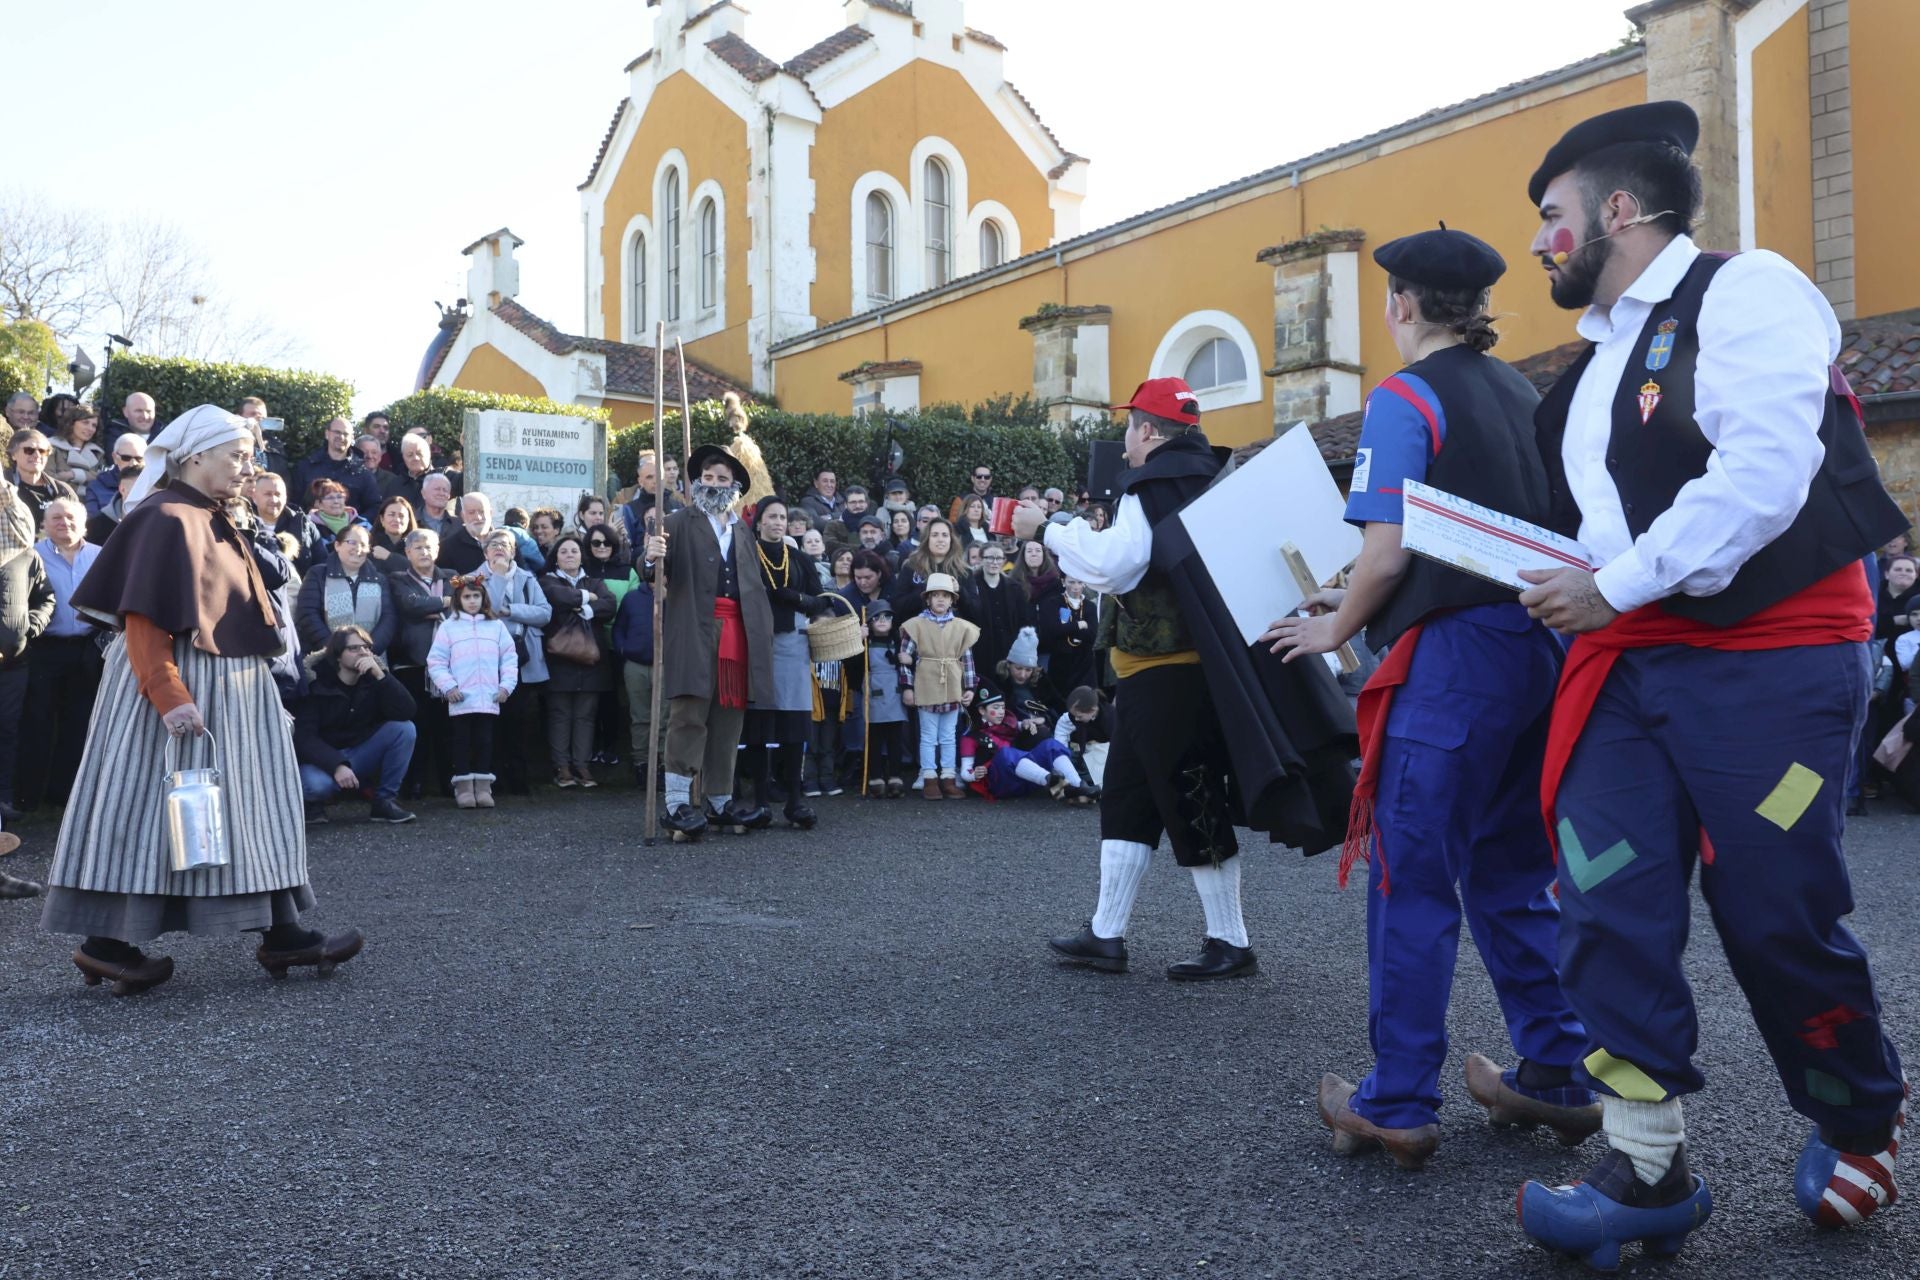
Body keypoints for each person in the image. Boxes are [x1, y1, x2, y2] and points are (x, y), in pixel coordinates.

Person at [1509, 101, 1910, 1261]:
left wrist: (1614, 582)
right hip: (1628, 658)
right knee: (1604, 894)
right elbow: (1605, 526)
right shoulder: (1590, 367)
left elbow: (1767, 469)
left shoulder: (1748, 290)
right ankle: (1644, 1164)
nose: (1541, 243)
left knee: (1776, 902)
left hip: (1771, 658)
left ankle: (1857, 1118)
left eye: (1552, 218)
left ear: (1617, 212)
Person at [1261, 226, 1594, 1172]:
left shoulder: (1402, 397)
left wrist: (1334, 625)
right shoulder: (1520, 391)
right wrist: (1363, 595)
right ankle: (1558, 1070)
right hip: (1537, 651)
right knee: (1509, 873)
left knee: (1413, 873)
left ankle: (1399, 1099)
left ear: (1400, 305)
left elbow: (1391, 547)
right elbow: (1474, 543)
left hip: (1454, 665)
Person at [1025, 377, 1356, 982]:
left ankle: (1230, 940)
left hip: (1168, 674)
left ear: (1149, 432)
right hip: (1175, 671)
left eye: (1130, 428)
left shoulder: (1149, 486)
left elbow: (1114, 564)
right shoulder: (1215, 478)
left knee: (1192, 795)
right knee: (1127, 796)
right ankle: (1106, 933)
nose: (1125, 441)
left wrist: (1049, 529)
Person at [40, 404, 362, 994]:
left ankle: (281, 934)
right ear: (194, 456)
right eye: (236, 456)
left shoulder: (212, 516)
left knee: (249, 810)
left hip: (232, 695)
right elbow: (140, 619)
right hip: (180, 692)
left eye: (249, 456)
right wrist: (169, 695)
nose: (247, 467)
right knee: (145, 813)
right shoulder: (164, 517)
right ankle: (106, 944)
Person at [640, 441, 775, 839]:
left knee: (729, 717)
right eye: (709, 477)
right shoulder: (678, 521)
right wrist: (651, 555)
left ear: (735, 487)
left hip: (739, 630)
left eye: (723, 479)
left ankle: (719, 800)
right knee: (688, 714)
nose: (715, 484)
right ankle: (678, 803)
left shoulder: (742, 529)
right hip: (693, 629)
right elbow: (650, 571)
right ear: (697, 482)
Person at [739, 497, 834, 829]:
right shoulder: (745, 555)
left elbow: (822, 602)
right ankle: (761, 802)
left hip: (793, 646)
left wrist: (793, 597)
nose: (778, 522)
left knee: (795, 728)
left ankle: (795, 800)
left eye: (782, 517)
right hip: (757, 645)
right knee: (759, 728)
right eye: (771, 516)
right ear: (759, 521)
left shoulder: (800, 559)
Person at [21, 497, 103, 810]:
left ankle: (67, 795)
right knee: (39, 720)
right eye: (56, 517)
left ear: (83, 523)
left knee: (79, 721)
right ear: (44, 524)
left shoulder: (100, 556)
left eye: (70, 517)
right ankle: (32, 797)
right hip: (45, 649)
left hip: (88, 649)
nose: (63, 523)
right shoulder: (32, 556)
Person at [293, 625, 419, 825]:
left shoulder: (374, 678)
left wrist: (381, 677)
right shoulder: (315, 682)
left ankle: (384, 802)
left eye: (366, 647)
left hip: (360, 753)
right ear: (337, 656)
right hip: (323, 762)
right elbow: (304, 738)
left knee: (404, 729)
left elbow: (407, 711)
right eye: (353, 648)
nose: (362, 652)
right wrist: (337, 765)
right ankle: (313, 806)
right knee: (314, 785)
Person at [428, 575, 517, 808]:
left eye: (476, 596)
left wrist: (506, 686)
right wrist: (449, 687)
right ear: (458, 599)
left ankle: (483, 786)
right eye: (467, 597)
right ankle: (464, 788)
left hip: (489, 697)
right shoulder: (449, 627)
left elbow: (509, 658)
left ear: (483, 598)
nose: (472, 601)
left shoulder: (496, 627)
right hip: (461, 698)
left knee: (485, 741)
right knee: (461, 741)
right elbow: (436, 660)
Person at [539, 532, 615, 788]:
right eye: (564, 551)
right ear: (556, 558)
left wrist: (584, 607)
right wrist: (588, 599)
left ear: (582, 555)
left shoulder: (595, 582)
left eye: (574, 550)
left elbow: (610, 605)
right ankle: (562, 766)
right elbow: (559, 598)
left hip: (592, 660)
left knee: (586, 715)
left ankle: (582, 765)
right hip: (559, 659)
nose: (569, 555)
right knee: (560, 714)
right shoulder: (547, 582)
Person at [479, 527, 551, 795]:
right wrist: (496, 578)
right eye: (493, 544)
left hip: (521, 654)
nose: (499, 548)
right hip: (488, 658)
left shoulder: (527, 578)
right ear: (485, 551)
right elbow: (489, 609)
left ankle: (519, 779)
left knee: (519, 719)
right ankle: (493, 779)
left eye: (505, 544)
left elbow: (544, 613)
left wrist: (511, 611)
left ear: (513, 551)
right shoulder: (475, 578)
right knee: (492, 718)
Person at [0, 479, 54, 824]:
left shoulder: (25, 554)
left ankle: (4, 801)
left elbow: (46, 599)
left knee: (7, 731)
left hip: (13, 665)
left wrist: (27, 629)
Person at [898, 572, 979, 799]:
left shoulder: (962, 627)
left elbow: (968, 658)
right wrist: (907, 687)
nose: (941, 600)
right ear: (928, 599)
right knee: (928, 735)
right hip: (926, 682)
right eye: (936, 596)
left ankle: (948, 777)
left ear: (953, 600)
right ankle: (929, 777)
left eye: (946, 596)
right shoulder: (915, 626)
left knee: (948, 735)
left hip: (952, 683)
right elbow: (905, 658)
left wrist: (970, 688)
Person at [388, 528, 455, 800]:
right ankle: (414, 783)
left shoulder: (451, 577)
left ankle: (448, 784)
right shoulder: (397, 578)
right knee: (418, 725)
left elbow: (461, 608)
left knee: (446, 728)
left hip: (448, 666)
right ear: (408, 553)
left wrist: (433, 606)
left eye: (429, 547)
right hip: (412, 663)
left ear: (437, 550)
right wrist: (443, 603)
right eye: (418, 548)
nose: (425, 552)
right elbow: (409, 605)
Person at [962, 689, 1094, 803]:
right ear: (981, 710)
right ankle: (1052, 782)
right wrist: (974, 774)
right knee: (1005, 753)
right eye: (996, 708)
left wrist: (1029, 722)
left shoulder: (1008, 724)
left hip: (1025, 778)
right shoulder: (970, 738)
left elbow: (1020, 724)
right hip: (999, 784)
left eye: (1002, 707)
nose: (1001, 712)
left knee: (1050, 745)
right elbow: (964, 773)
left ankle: (1077, 785)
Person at [295, 522, 395, 659]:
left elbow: (388, 618)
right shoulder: (318, 574)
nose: (358, 549)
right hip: (327, 656)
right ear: (337, 545)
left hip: (371, 658)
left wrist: (368, 651)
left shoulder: (379, 579)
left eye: (363, 545)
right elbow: (307, 614)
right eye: (352, 542)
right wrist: (336, 650)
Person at [609, 517, 659, 789]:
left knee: (664, 717)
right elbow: (619, 628)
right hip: (636, 665)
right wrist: (623, 649)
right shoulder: (633, 598)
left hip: (666, 664)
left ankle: (662, 763)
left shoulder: (676, 597)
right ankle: (641, 763)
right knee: (640, 718)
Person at [853, 602, 910, 796]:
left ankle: (895, 776)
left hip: (895, 693)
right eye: (878, 617)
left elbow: (912, 664)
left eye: (887, 617)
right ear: (869, 621)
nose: (883, 621)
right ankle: (875, 776)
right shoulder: (865, 643)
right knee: (874, 739)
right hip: (873, 693)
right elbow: (853, 666)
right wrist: (858, 641)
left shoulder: (899, 641)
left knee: (895, 738)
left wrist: (909, 660)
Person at [959, 542, 1032, 689]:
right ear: (981, 559)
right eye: (990, 557)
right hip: (980, 650)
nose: (994, 562)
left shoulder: (1014, 587)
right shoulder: (972, 586)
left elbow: (1023, 620)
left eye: (999, 558)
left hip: (1008, 651)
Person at [293, 416, 381, 514]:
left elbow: (374, 506)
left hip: (349, 527)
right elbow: (294, 503)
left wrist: (357, 525)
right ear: (327, 434)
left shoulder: (363, 473)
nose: (341, 437)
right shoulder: (306, 467)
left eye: (346, 434)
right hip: (311, 527)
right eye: (337, 432)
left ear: (352, 438)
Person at [893, 518, 968, 620]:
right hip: (919, 631)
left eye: (945, 535)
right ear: (926, 539)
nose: (940, 539)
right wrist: (925, 590)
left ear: (951, 539)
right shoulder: (911, 566)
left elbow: (975, 611)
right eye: (935, 535)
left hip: (953, 633)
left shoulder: (963, 570)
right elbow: (897, 606)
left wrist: (960, 591)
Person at [5, 430, 79, 531]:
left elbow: (77, 527)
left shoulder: (63, 491)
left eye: (42, 451)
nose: (37, 455)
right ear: (13, 454)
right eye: (29, 450)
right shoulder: (4, 488)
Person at [250, 471, 322, 572]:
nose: (274, 499)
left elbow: (321, 563)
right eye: (268, 494)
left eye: (278, 494)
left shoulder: (303, 524)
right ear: (254, 496)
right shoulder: (244, 524)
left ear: (285, 497)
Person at [1042, 576, 1098, 694]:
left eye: (1079, 582)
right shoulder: (1053, 603)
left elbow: (1093, 635)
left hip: (1085, 664)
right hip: (1061, 663)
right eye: (1071, 582)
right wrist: (1079, 624)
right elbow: (1053, 630)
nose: (1076, 587)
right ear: (1063, 582)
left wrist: (1067, 628)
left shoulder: (1090, 606)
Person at [86, 440, 147, 545]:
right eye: (126, 458)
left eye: (139, 458)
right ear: (114, 457)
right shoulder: (96, 487)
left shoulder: (161, 515)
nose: (133, 463)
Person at [619, 452, 682, 550]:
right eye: (649, 477)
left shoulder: (679, 506)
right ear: (640, 481)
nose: (655, 481)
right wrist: (646, 550)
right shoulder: (629, 510)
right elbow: (626, 550)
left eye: (658, 475)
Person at [1054, 685, 1112, 788]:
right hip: (1079, 749)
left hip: (1102, 753)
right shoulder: (1074, 714)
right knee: (1059, 763)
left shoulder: (1109, 719)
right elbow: (1062, 728)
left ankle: (1095, 788)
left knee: (1100, 776)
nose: (1076, 719)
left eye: (1079, 717)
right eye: (1074, 715)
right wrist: (1062, 752)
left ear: (1093, 710)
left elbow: (1118, 747)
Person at [49, 404, 106, 491]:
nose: (90, 428)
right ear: (71, 423)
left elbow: (101, 480)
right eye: (85, 422)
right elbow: (49, 479)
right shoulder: (51, 446)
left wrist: (72, 475)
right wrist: (87, 476)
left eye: (94, 425)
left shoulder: (98, 453)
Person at [437, 492, 496, 575]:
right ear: (463, 516)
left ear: (490, 513)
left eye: (482, 511)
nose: (478, 517)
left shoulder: (506, 542)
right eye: (471, 512)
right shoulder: (447, 547)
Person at [368, 495, 418, 574]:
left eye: (401, 516)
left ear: (409, 520)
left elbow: (420, 570)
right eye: (391, 515)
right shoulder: (368, 545)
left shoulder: (417, 546)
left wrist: (389, 557)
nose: (397, 519)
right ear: (382, 519)